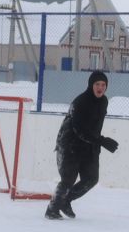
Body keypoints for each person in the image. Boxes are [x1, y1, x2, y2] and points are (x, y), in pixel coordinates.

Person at [46, 70, 119, 220]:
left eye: (103, 85)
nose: (100, 88)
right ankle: (52, 209)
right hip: (70, 144)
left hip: (89, 145)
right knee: (68, 179)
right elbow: (79, 129)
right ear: (91, 85)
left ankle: (66, 201)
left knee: (91, 178)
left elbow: (95, 127)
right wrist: (102, 141)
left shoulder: (104, 101)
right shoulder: (80, 102)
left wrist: (98, 144)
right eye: (97, 84)